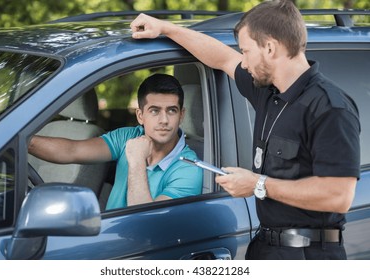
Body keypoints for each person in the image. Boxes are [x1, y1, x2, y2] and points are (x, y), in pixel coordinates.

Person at [130, 0, 361, 260]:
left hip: (309, 256)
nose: (244, 61)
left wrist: (258, 184)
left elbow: (338, 195)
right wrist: (165, 28)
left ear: (270, 48)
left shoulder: (330, 107)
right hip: (265, 248)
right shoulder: (267, 91)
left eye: (247, 51)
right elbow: (222, 58)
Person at [29, 73, 203, 210]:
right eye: (155, 111)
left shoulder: (189, 168)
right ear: (140, 116)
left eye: (171, 111)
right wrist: (22, 142)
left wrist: (136, 161)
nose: (164, 120)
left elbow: (145, 221)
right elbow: (71, 151)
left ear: (181, 116)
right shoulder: (128, 136)